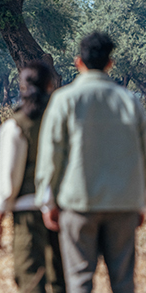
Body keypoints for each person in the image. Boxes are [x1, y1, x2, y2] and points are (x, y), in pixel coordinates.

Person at [35, 32, 146, 293]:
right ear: (110, 63)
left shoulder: (64, 99)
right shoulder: (130, 101)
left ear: (78, 62)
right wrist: (141, 200)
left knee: (79, 280)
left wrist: (47, 200)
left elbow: (51, 154)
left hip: (78, 204)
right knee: (123, 281)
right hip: (122, 204)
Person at [0, 61, 65, 293]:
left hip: (28, 210)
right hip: (62, 209)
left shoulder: (15, 126)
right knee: (61, 276)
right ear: (50, 85)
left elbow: (7, 181)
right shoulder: (62, 119)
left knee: (30, 276)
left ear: (21, 87)